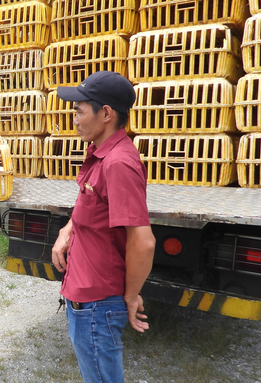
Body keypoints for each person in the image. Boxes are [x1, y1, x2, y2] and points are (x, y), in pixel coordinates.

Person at [51, 71, 156, 383]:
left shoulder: (118, 163)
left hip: (97, 306)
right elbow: (92, 202)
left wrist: (131, 295)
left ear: (106, 113)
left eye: (79, 111)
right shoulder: (100, 153)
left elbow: (143, 242)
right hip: (85, 296)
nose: (74, 119)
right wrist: (68, 228)